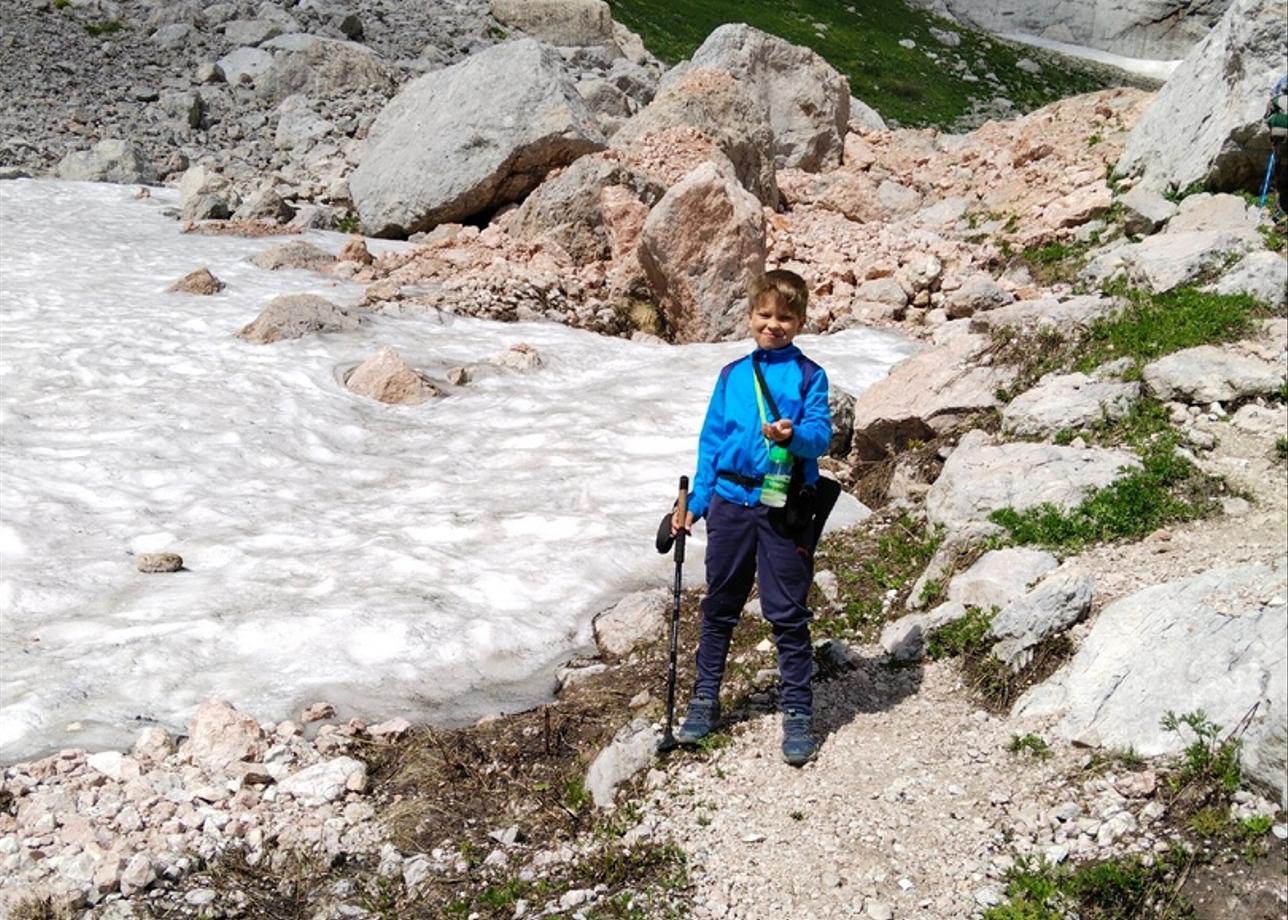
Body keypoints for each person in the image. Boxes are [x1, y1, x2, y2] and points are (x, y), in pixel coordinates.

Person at [670, 269, 832, 765]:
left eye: (785, 317)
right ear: (750, 317)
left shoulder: (809, 375)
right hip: (729, 503)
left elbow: (821, 437)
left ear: (800, 321)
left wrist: (792, 437)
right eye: (765, 315)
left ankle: (798, 713)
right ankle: (704, 701)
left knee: (786, 611)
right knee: (720, 606)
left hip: (783, 506)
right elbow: (711, 442)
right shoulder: (732, 376)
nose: (773, 325)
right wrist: (693, 504)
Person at [1265, 73, 1288, 212]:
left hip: (1279, 136)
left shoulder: (1276, 100)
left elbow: (1267, 116)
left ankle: (1281, 196)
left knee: (1282, 162)